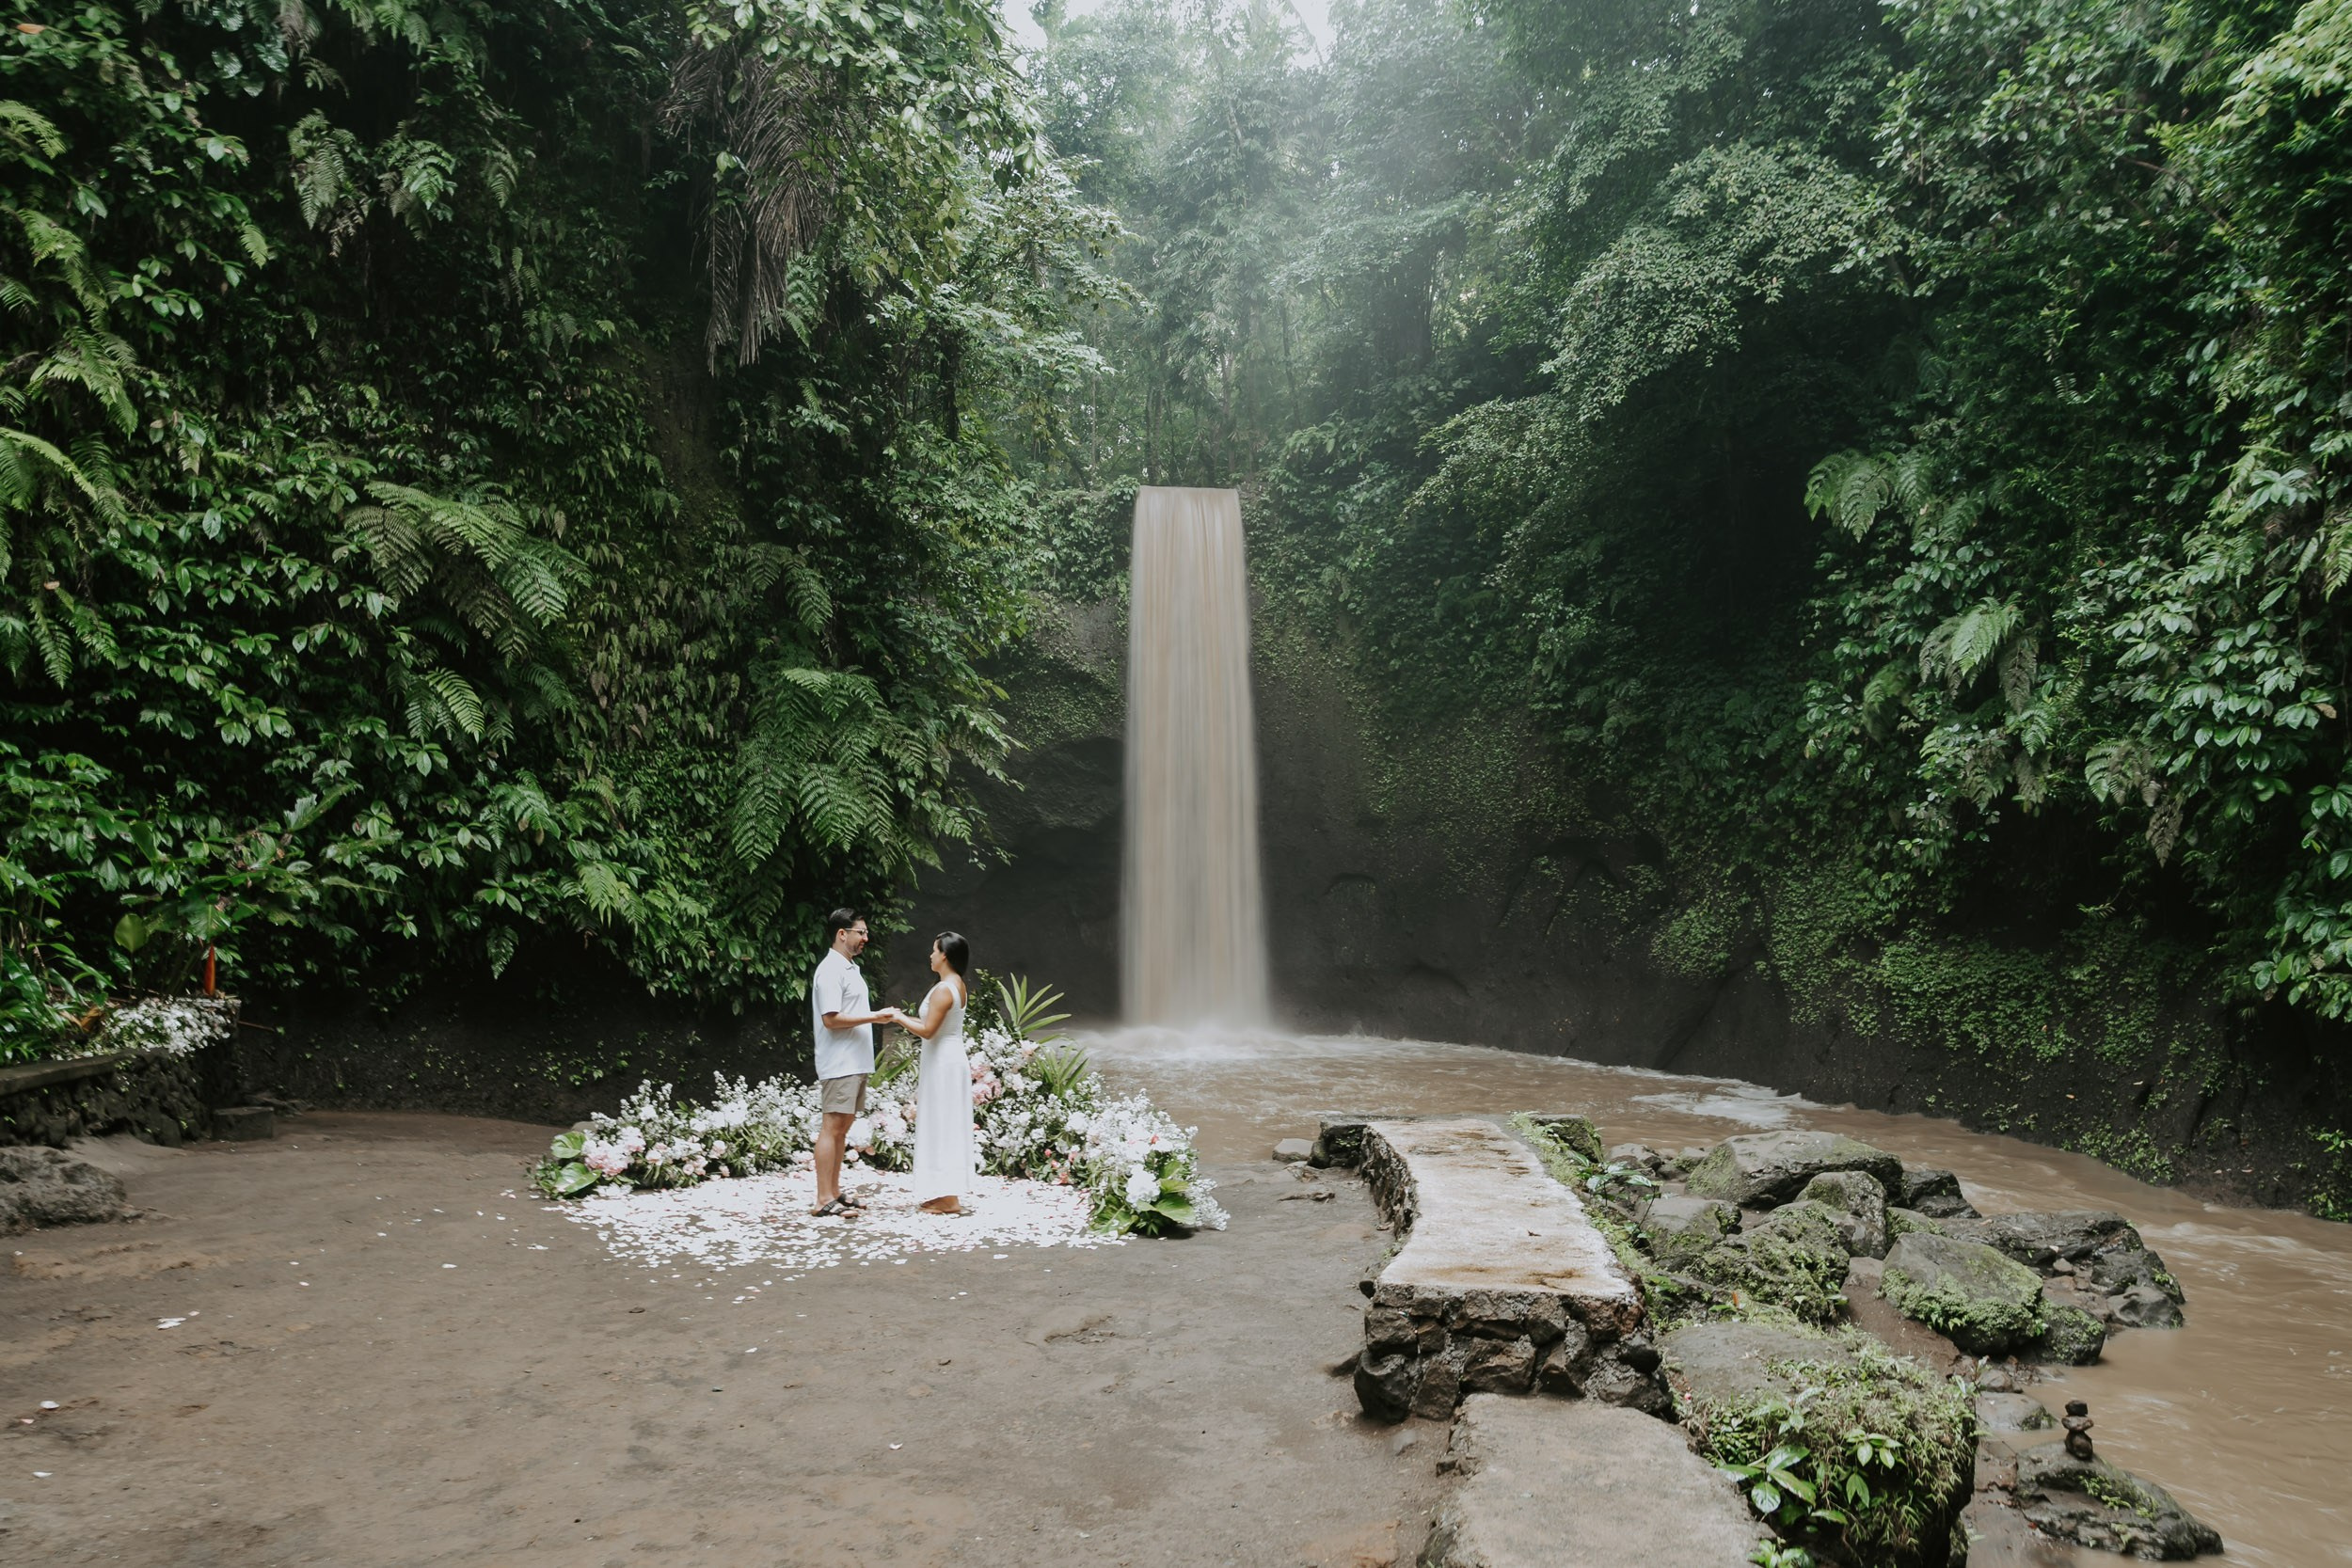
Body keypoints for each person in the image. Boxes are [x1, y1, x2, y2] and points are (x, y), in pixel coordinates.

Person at [809, 908, 890, 1218]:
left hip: (855, 1061)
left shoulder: (849, 968)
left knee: (842, 1129)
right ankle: (822, 1199)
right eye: (861, 932)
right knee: (832, 1127)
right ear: (842, 934)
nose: (866, 938)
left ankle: (834, 1192)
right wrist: (876, 1017)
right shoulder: (830, 969)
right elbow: (830, 1019)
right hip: (839, 1061)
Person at [887, 932, 975, 1215]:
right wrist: (902, 1017)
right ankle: (946, 1193)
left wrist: (898, 1017)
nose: (931, 955)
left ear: (944, 955)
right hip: (946, 1057)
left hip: (943, 1062)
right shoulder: (955, 984)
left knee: (943, 1123)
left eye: (934, 950)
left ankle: (949, 1199)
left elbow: (927, 1030)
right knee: (945, 1122)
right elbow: (932, 1025)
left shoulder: (944, 989)